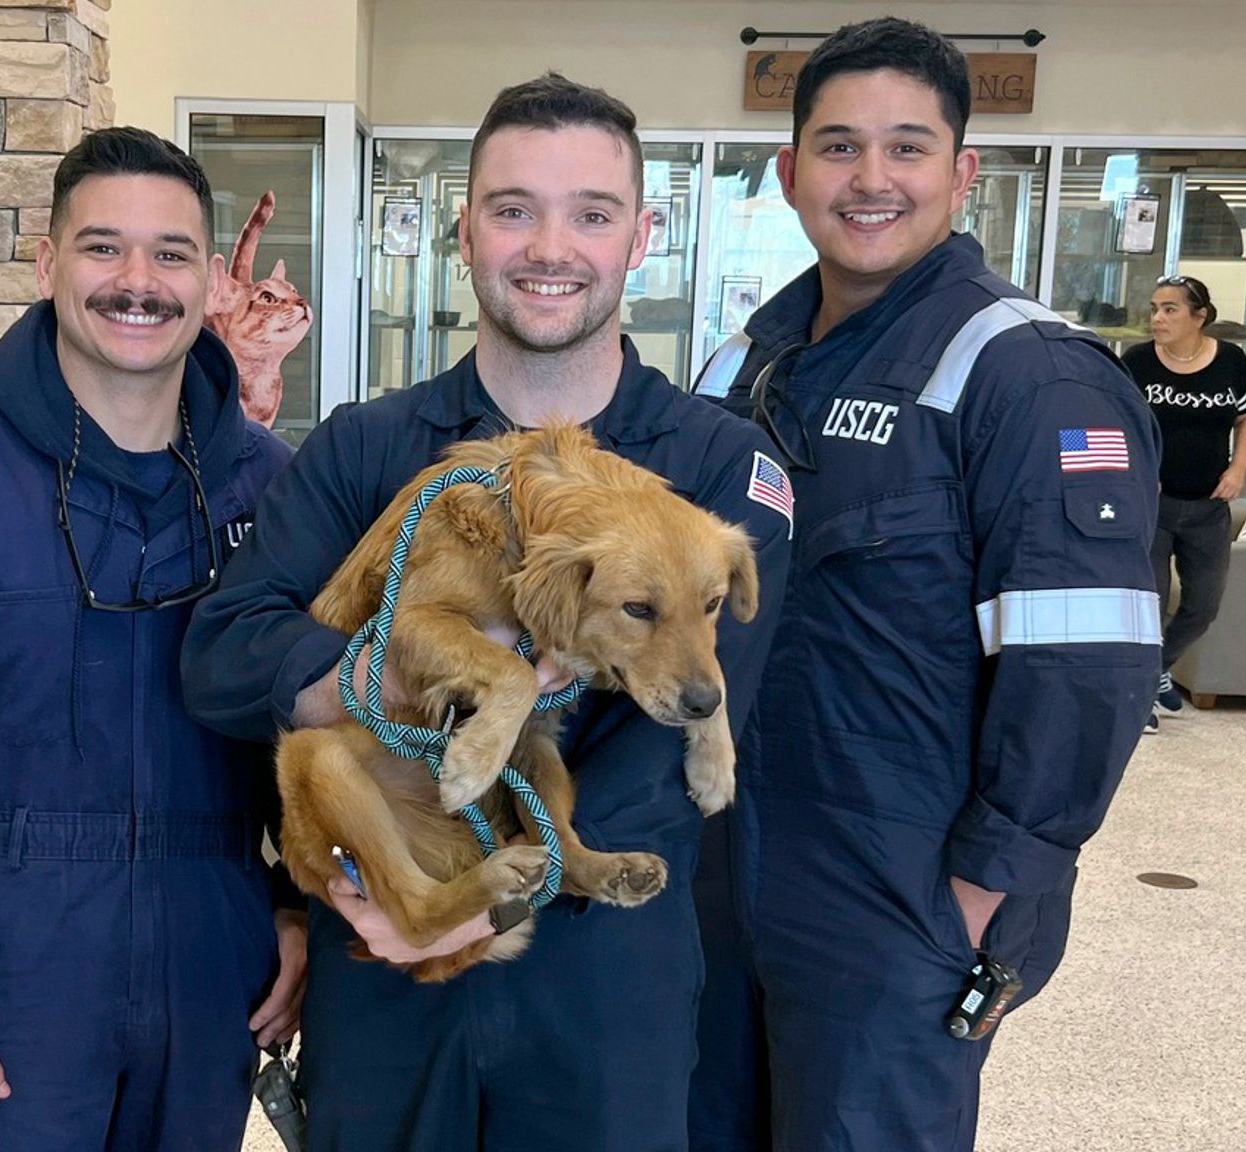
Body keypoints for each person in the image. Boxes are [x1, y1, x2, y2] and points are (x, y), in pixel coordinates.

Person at [180, 75, 792, 1152]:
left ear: (642, 236)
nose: (548, 246)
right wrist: (374, 681)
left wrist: (530, 855)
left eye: (590, 214)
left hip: (606, 972)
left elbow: (691, 717)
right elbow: (222, 657)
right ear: (462, 229)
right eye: (512, 209)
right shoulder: (367, 450)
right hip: (384, 945)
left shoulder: (721, 471)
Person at [687, 18, 1161, 1151]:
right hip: (719, 870)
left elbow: (1084, 673)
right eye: (837, 146)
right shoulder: (740, 362)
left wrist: (981, 899)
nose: (867, 179)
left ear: (961, 172)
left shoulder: (1024, 375)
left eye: (905, 148)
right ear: (790, 168)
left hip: (900, 894)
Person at [0, 127, 305, 1152]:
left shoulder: (268, 488)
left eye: (170, 254)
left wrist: (302, 911)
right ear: (45, 263)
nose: (137, 282)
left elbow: (310, 733)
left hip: (208, 944)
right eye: (101, 248)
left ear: (210, 278)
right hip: (5, 958)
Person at [1124, 274, 1246, 725]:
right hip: (1152, 505)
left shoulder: (1232, 360)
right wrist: (1138, 470)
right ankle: (1140, 699)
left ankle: (1156, 669)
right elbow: (1117, 422)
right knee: (1149, 603)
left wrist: (1238, 469)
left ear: (1200, 316)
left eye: (1170, 309)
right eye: (1155, 308)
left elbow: (1244, 419)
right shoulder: (1136, 362)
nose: (1157, 318)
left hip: (1208, 505)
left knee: (1204, 604)